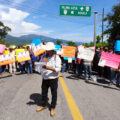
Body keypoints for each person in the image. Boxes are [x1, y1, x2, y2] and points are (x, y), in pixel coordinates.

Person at [36, 42, 61, 116]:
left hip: (53, 78)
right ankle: (44, 105)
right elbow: (43, 64)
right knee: (44, 92)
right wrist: (39, 65)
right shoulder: (45, 56)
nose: (47, 51)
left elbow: (58, 69)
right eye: (47, 50)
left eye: (48, 50)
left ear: (52, 50)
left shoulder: (57, 57)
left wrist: (48, 68)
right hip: (45, 77)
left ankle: (53, 107)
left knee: (54, 93)